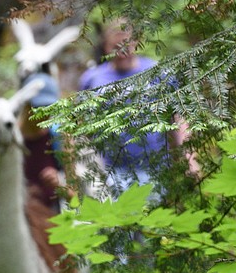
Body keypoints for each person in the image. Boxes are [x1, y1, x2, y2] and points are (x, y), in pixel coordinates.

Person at [78, 20, 196, 200]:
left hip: (156, 171)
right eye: (115, 46)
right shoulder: (92, 80)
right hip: (111, 173)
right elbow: (82, 129)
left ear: (136, 42)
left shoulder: (157, 72)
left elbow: (178, 119)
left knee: (155, 225)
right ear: (106, 46)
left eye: (127, 44)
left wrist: (189, 159)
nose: (122, 51)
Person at [20, 70, 66, 214]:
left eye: (49, 107)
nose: (44, 113)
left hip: (51, 207)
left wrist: (58, 179)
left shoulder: (56, 133)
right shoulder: (15, 137)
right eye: (39, 108)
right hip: (21, 207)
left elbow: (72, 180)